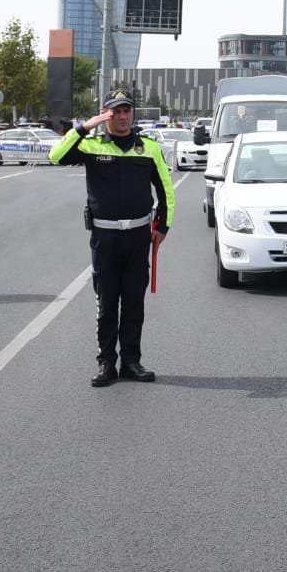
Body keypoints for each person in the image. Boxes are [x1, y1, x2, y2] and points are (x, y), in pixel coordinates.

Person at [50, 88, 175, 388]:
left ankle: (131, 361)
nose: (121, 116)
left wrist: (163, 226)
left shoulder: (148, 148)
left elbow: (165, 189)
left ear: (132, 113)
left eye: (126, 110)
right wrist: (84, 127)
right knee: (106, 303)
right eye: (115, 111)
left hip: (137, 237)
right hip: (105, 237)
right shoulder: (91, 145)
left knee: (134, 303)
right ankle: (107, 362)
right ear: (105, 113)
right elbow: (55, 156)